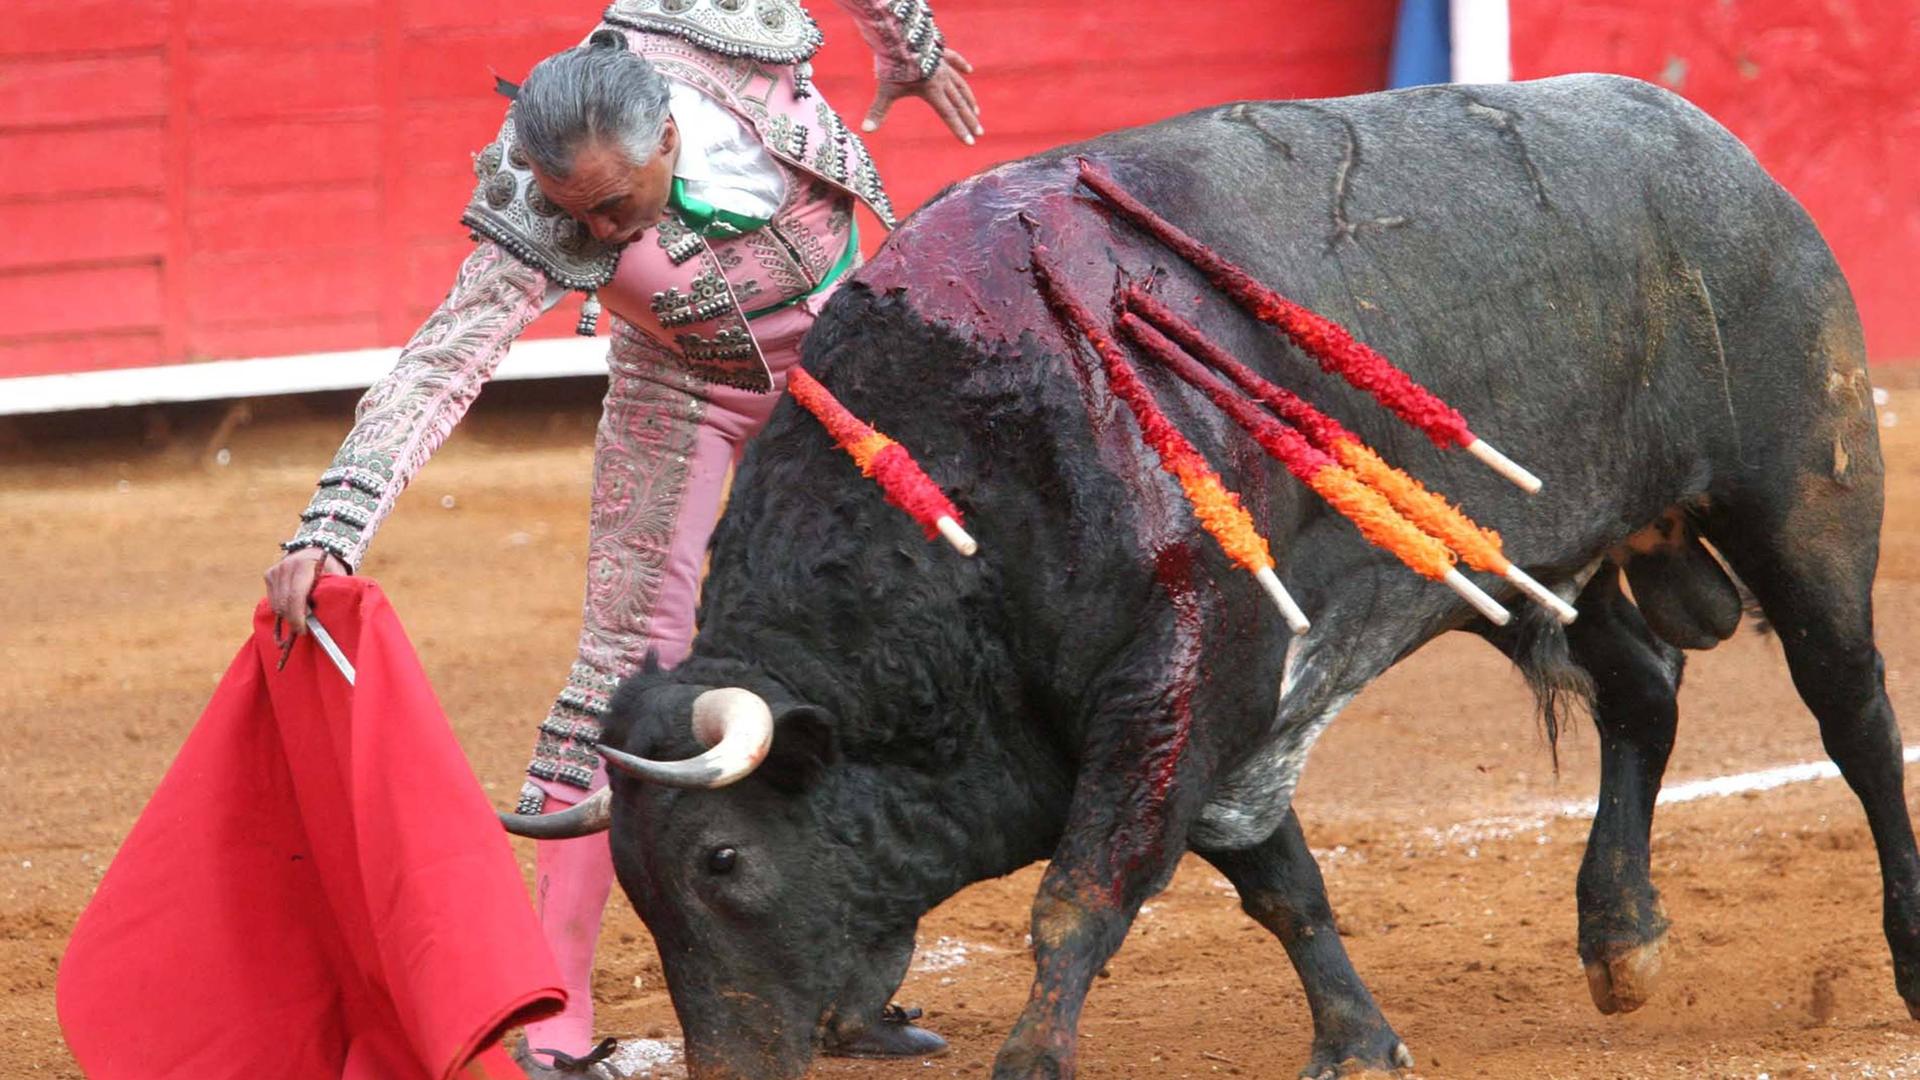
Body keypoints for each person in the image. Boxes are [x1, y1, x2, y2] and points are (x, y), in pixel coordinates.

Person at [263, 1, 981, 1075]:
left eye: (612, 206)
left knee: (894, 644)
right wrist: (333, 524)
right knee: (621, 667)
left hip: (853, 371)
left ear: (671, 142)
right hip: (685, 390)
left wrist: (907, 45)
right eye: (573, 215)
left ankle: (858, 980)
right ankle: (551, 1028)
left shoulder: (720, 24)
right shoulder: (536, 196)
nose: (594, 237)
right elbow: (442, 361)